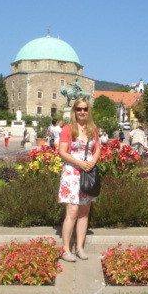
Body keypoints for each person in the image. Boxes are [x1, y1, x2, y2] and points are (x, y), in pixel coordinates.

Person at [57, 97, 100, 262]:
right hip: (72, 172)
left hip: (88, 172)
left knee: (84, 212)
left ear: (88, 111)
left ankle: (80, 247)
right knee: (72, 211)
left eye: (85, 109)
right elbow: (62, 151)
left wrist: (92, 162)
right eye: (79, 109)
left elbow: (97, 149)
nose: (82, 112)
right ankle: (66, 249)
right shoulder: (68, 129)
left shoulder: (92, 129)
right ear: (74, 111)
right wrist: (80, 163)